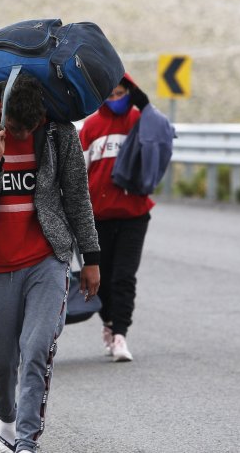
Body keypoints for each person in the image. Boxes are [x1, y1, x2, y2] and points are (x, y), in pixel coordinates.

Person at [0, 73, 101, 453]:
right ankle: (5, 418)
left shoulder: (58, 135)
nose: (22, 133)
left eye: (30, 126)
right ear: (0, 109)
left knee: (36, 351)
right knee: (0, 363)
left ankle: (25, 442)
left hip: (46, 261)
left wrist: (91, 258)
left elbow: (78, 199)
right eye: (15, 126)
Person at [78, 74, 155, 362]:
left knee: (124, 277)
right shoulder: (91, 127)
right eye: (109, 95)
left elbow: (159, 135)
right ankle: (109, 323)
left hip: (134, 214)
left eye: (120, 93)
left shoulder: (140, 120)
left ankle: (120, 334)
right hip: (97, 218)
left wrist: (145, 107)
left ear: (130, 93)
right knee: (102, 278)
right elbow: (77, 174)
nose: (115, 99)